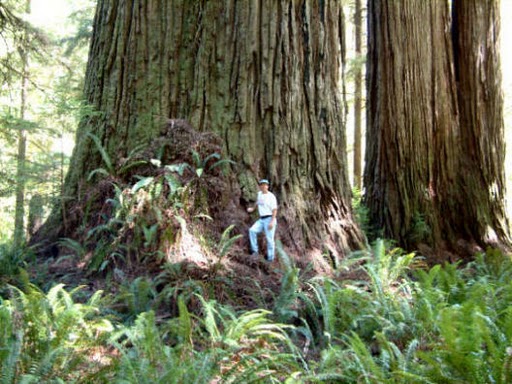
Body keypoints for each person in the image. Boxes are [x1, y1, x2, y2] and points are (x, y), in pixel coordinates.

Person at [247, 179, 278, 261]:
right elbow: (257, 202)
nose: (263, 186)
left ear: (267, 186)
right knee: (252, 230)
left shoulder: (271, 196)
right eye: (262, 185)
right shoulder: (259, 194)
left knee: (269, 239)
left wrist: (272, 221)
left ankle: (270, 259)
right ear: (260, 186)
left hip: (270, 218)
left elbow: (275, 210)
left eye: (265, 185)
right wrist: (253, 209)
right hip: (261, 220)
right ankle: (255, 251)